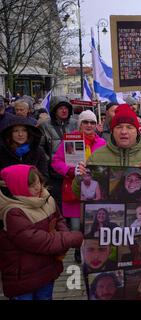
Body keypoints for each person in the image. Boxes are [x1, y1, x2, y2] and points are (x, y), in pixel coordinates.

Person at [0, 165, 83, 299]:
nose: (38, 187)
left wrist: (63, 236)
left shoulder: (46, 198)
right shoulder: (14, 212)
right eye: (31, 185)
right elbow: (40, 241)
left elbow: (59, 219)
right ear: (17, 187)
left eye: (38, 182)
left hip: (46, 271)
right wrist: (71, 238)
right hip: (23, 278)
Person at [73, 104, 141, 195]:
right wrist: (79, 179)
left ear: (137, 131)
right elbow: (79, 194)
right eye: (119, 127)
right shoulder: (96, 157)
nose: (124, 132)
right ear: (112, 131)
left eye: (129, 127)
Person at [52, 110, 106, 262]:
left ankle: (90, 250)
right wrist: (70, 170)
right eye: (85, 122)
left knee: (92, 225)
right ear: (79, 124)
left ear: (96, 125)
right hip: (74, 190)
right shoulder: (69, 140)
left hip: (93, 191)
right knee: (76, 227)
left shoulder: (101, 143)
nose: (89, 125)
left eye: (92, 122)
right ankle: (77, 250)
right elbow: (56, 162)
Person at [39, 97, 78, 210]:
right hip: (54, 174)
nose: (64, 110)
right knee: (57, 203)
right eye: (61, 108)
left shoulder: (76, 124)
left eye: (66, 108)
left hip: (73, 172)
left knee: (73, 202)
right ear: (54, 110)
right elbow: (40, 148)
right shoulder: (45, 126)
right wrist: (49, 161)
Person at [0, 114, 48, 178]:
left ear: (29, 132)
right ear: (10, 133)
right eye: (15, 131)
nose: (20, 134)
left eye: (24, 130)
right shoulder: (2, 151)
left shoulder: (38, 151)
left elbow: (44, 176)